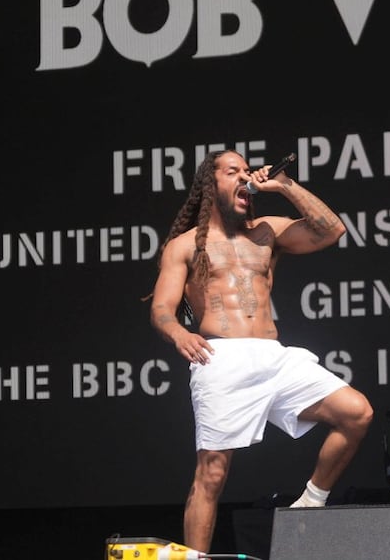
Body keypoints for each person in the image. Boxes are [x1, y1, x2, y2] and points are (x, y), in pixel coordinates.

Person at [149, 150, 373, 553]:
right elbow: (162, 309)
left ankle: (311, 502)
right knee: (212, 474)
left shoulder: (267, 231)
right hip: (221, 359)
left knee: (357, 413)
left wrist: (283, 185)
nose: (244, 178)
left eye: (246, 172)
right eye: (232, 171)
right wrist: (178, 334)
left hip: (272, 356)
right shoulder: (185, 246)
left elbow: (331, 230)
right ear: (209, 185)